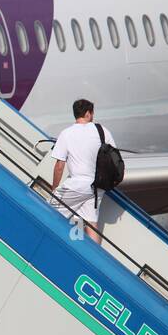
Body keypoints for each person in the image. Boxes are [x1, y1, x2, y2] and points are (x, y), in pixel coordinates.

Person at [50, 98, 114, 244]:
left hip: (76, 184)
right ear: (88, 113)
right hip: (97, 186)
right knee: (92, 224)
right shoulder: (101, 130)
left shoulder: (66, 133)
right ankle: (96, 259)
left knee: (49, 211)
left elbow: (59, 165)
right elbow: (113, 155)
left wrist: (54, 188)